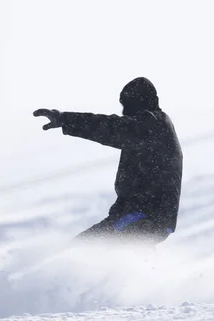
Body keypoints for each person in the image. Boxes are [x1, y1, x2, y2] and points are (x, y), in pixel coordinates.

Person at [33, 77, 183, 245]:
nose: (124, 111)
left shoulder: (151, 124)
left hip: (144, 216)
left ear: (140, 102)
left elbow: (111, 128)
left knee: (78, 250)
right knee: (110, 258)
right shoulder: (152, 128)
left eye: (128, 104)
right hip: (141, 217)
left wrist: (67, 120)